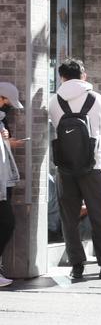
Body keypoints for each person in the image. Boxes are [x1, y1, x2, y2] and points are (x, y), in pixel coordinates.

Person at [48, 59, 101, 279]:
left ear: (61, 77)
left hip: (65, 168)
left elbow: (55, 128)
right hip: (93, 166)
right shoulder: (95, 98)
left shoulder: (55, 100)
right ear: (83, 75)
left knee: (69, 218)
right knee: (100, 215)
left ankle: (77, 265)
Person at [0, 82, 23, 287]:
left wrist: (7, 141)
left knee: (5, 223)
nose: (6, 107)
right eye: (5, 102)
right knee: (6, 223)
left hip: (3, 179)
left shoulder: (1, 120)